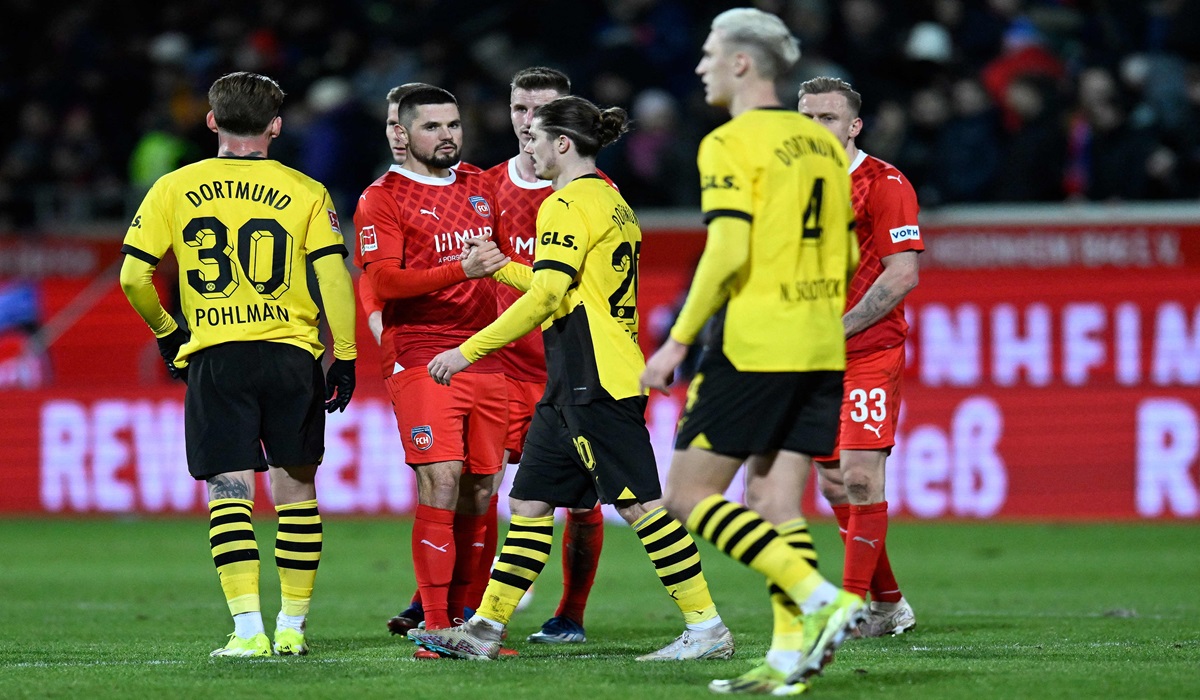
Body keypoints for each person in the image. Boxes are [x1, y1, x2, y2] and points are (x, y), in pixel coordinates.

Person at [411, 95, 734, 662]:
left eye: (534, 136)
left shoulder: (564, 205)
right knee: (532, 504)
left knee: (640, 509)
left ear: (562, 143)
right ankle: (484, 631)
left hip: (595, 380)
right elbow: (569, 286)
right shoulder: (611, 200)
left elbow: (549, 296)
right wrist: (503, 266)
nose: (527, 145)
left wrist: (467, 350)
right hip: (574, 381)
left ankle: (707, 629)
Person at [639, 9, 861, 694]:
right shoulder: (821, 144)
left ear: (742, 64)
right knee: (773, 502)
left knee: (684, 496)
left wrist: (676, 340)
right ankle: (789, 659)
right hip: (821, 342)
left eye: (710, 53)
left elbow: (728, 247)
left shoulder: (731, 142)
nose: (701, 65)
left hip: (757, 339)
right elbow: (848, 250)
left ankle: (821, 597)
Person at [118, 71, 358, 658]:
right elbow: (333, 278)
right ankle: (293, 628)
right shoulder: (306, 190)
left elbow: (133, 276)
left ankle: (248, 631)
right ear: (276, 126)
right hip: (289, 354)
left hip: (217, 355)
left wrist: (168, 333)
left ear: (210, 121)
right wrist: (345, 355)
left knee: (230, 492)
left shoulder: (175, 186)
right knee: (296, 491)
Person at [353, 84, 511, 636]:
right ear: (404, 133)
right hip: (422, 350)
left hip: (486, 353)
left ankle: (468, 621)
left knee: (483, 489)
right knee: (440, 479)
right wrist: (460, 271)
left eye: (453, 125)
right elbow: (384, 280)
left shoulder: (481, 184)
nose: (446, 136)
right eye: (432, 127)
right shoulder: (383, 197)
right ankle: (437, 626)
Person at [481, 66, 607, 646]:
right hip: (503, 367)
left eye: (541, 111)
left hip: (569, 366)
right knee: (476, 482)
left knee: (582, 502)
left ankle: (570, 614)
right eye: (518, 110)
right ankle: (458, 599)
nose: (527, 121)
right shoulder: (484, 187)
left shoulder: (590, 193)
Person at [798, 76, 922, 637]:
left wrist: (837, 329)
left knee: (860, 476)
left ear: (853, 126)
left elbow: (902, 275)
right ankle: (888, 605)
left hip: (868, 350)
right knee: (831, 483)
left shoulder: (883, 183)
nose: (816, 129)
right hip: (808, 359)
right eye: (807, 118)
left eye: (827, 118)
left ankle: (845, 611)